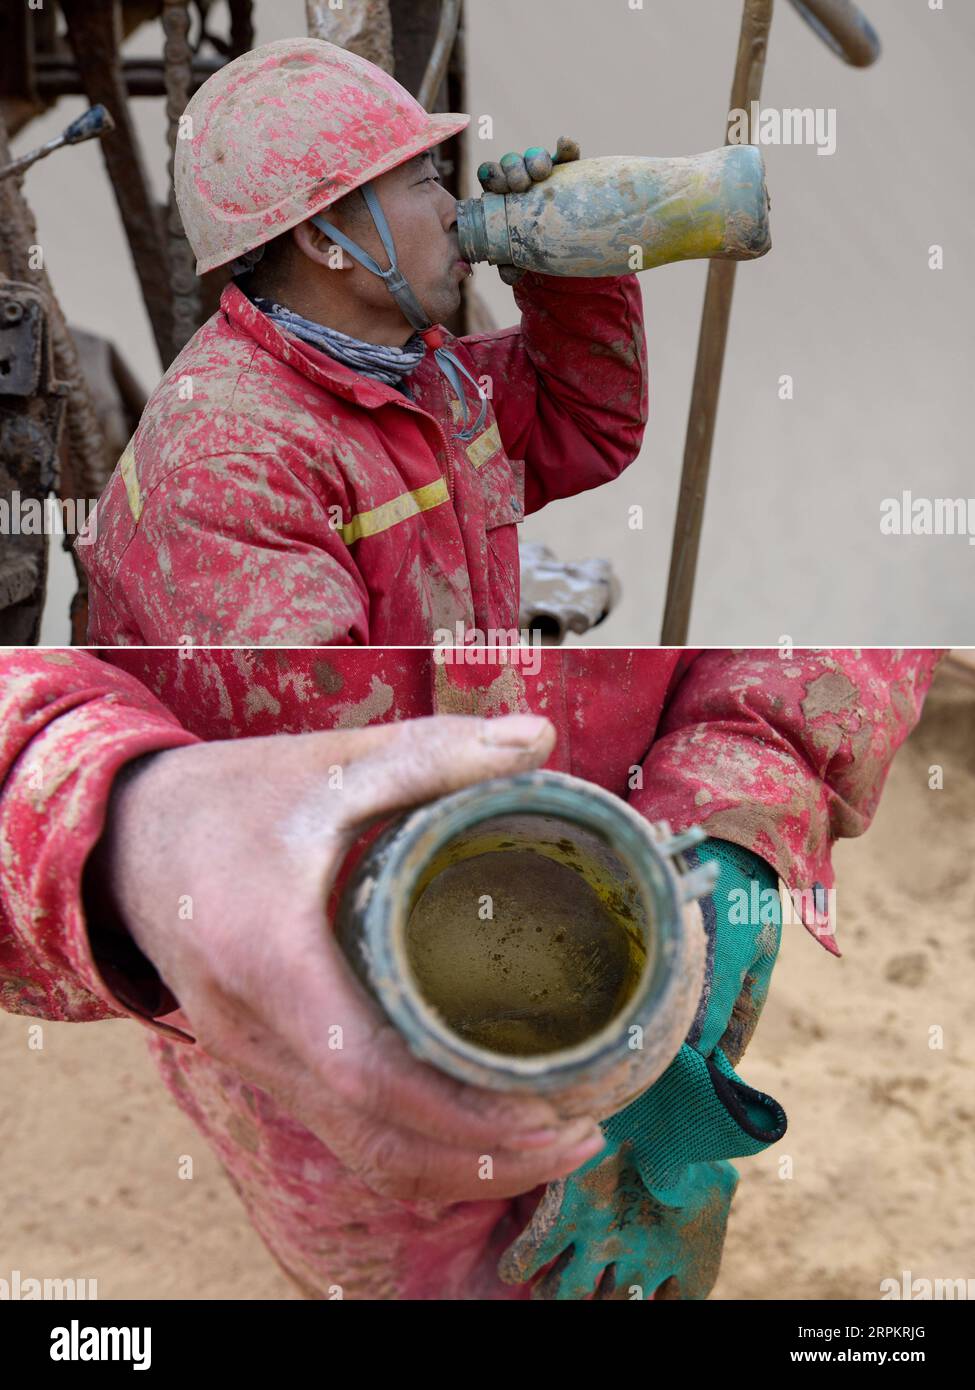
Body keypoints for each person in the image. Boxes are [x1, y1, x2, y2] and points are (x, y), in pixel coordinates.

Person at [0, 646, 940, 1298]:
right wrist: (111, 820)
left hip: (645, 905)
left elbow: (843, 540)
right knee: (383, 1264)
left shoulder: (616, 392)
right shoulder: (211, 455)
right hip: (295, 1029)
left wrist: (746, 793)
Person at [74, 38, 648, 646]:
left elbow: (586, 422)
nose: (454, 210)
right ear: (323, 242)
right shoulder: (233, 468)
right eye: (424, 181)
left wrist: (569, 265)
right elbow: (323, 728)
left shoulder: (420, 378)